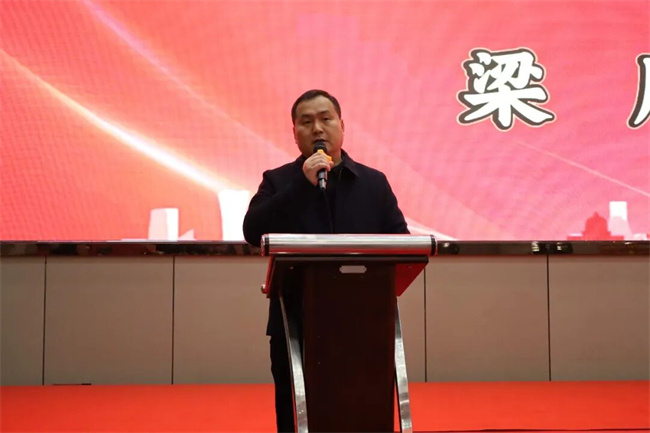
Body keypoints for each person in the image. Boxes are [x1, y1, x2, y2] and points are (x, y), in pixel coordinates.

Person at [243, 89, 409, 432]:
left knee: (363, 410)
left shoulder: (374, 183)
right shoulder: (277, 181)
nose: (317, 128)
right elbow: (252, 231)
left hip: (365, 322)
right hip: (296, 324)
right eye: (306, 122)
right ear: (295, 133)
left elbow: (402, 243)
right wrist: (300, 187)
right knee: (298, 413)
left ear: (342, 126)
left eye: (325, 119)